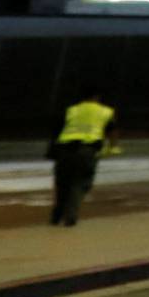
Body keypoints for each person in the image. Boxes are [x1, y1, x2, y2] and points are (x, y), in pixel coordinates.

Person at [50, 88, 115, 225]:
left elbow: (57, 130)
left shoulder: (72, 110)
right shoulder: (105, 111)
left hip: (65, 150)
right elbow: (111, 131)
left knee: (62, 183)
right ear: (97, 97)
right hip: (87, 151)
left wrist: (52, 151)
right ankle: (71, 215)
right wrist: (112, 148)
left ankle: (56, 216)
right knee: (80, 183)